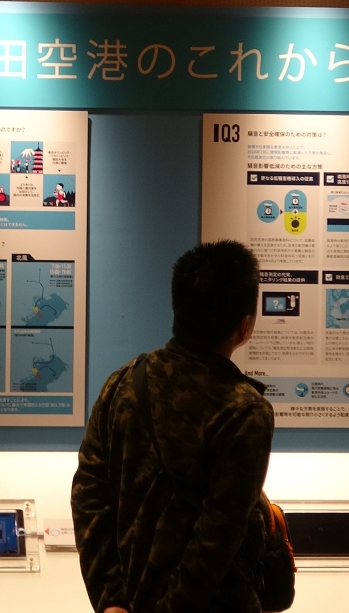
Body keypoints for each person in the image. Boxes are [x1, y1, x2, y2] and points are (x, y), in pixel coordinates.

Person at [72, 240, 275, 613]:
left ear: (177, 309)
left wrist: (110, 599)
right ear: (244, 326)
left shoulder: (123, 383)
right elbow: (217, 539)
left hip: (129, 601)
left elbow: (88, 496)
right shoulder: (245, 410)